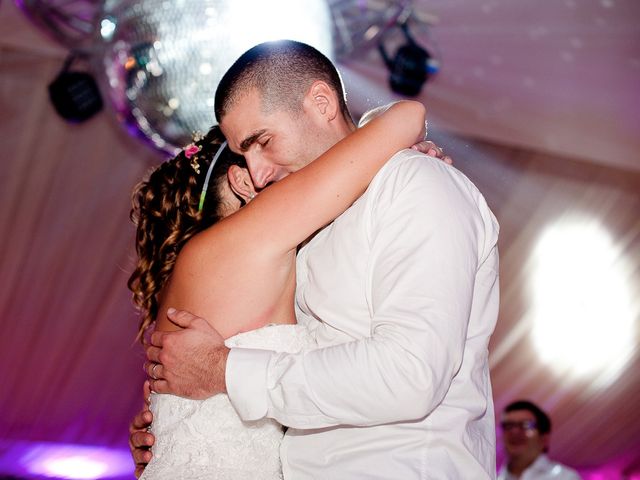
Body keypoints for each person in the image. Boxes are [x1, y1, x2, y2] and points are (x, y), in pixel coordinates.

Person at [134, 39, 500, 479]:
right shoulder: (297, 236)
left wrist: (224, 370)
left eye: (263, 141)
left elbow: (410, 373)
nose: (257, 173)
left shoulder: (414, 185)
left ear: (322, 102)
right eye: (243, 156)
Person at [128, 100, 428, 479]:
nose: (276, 169)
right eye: (259, 154)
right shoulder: (245, 239)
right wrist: (381, 144)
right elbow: (407, 116)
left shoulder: (226, 266)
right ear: (241, 182)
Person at [498, 400, 582, 480]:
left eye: (525, 425)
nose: (514, 431)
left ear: (544, 439)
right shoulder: (491, 476)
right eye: (508, 426)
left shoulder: (565, 477)